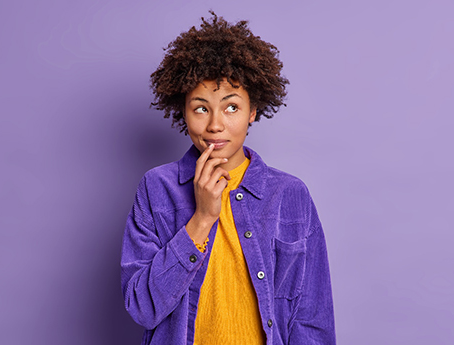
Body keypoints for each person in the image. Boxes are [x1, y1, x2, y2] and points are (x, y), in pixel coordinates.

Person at [121, 12, 335, 345]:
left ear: (253, 110)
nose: (215, 125)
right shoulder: (156, 189)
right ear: (183, 112)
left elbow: (312, 319)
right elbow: (141, 307)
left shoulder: (290, 196)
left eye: (231, 107)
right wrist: (202, 219)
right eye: (201, 108)